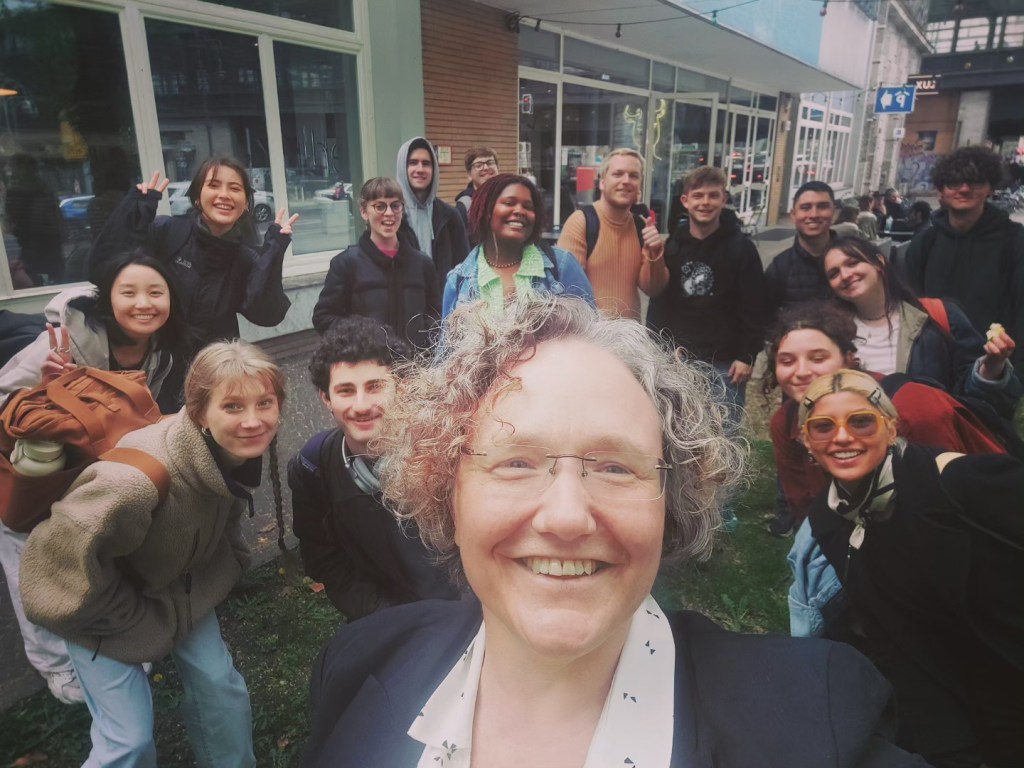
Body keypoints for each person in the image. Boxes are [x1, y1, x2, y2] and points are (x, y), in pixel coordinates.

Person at [303, 296, 931, 768]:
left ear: (672, 503)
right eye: (516, 462)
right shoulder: (358, 665)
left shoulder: (816, 719)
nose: (567, 517)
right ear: (448, 489)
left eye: (614, 467)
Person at [20, 340, 284, 767]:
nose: (253, 421)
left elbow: (221, 519)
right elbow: (52, 569)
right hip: (97, 608)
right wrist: (129, 619)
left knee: (221, 688)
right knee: (128, 741)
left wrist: (227, 563)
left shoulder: (233, 450)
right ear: (199, 413)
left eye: (265, 403)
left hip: (176, 587)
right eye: (232, 406)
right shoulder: (133, 484)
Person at [800, 369, 1024, 768]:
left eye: (861, 421)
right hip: (948, 694)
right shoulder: (829, 518)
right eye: (823, 426)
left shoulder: (959, 482)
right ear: (807, 441)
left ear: (890, 428)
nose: (842, 437)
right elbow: (889, 631)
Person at [0, 249, 189, 706]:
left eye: (156, 292)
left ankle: (117, 639)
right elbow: (6, 399)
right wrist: (43, 387)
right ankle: (56, 666)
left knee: (98, 546)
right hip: (32, 471)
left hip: (90, 466)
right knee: (29, 552)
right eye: (129, 292)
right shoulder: (61, 343)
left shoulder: (162, 347)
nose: (143, 303)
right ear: (108, 298)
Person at [764, 300, 1008, 525]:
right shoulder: (786, 422)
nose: (801, 372)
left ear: (848, 359)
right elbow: (806, 507)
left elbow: (951, 498)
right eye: (787, 361)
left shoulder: (914, 406)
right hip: (849, 533)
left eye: (818, 358)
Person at [289, 318, 459, 619]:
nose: (361, 405)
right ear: (326, 398)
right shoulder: (313, 466)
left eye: (375, 386)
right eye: (345, 390)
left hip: (461, 613)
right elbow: (325, 559)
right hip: (382, 618)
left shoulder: (446, 452)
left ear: (401, 387)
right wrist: (386, 617)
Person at [89, 158, 298, 353]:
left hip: (212, 368)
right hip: (156, 365)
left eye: (234, 188)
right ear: (197, 198)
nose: (224, 194)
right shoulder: (167, 232)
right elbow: (101, 268)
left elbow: (266, 315)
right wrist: (133, 212)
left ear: (245, 205)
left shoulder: (245, 258)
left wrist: (274, 251)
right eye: (213, 185)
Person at [823, 235, 1019, 415]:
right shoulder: (830, 336)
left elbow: (970, 392)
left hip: (931, 437)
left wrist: (991, 366)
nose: (845, 275)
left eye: (852, 263)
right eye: (834, 273)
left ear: (879, 262)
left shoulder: (938, 316)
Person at [646, 165, 768, 430]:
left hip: (725, 365)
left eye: (713, 195)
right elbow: (660, 303)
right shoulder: (673, 247)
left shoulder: (742, 249)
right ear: (685, 201)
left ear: (724, 199)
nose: (705, 202)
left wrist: (747, 355)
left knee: (723, 435)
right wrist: (658, 351)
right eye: (698, 195)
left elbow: (756, 306)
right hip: (679, 360)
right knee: (678, 432)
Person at [903, 145, 1024, 384]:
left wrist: (1016, 372)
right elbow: (910, 306)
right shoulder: (924, 243)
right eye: (954, 183)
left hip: (995, 367)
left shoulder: (1015, 240)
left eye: (975, 182)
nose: (965, 189)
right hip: (934, 365)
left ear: (990, 188)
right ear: (940, 190)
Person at [312, 177, 441, 350]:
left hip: (415, 363)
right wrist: (361, 343)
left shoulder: (422, 264)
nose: (389, 213)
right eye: (380, 206)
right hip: (368, 363)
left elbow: (435, 315)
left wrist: (424, 344)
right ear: (364, 212)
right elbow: (324, 318)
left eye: (395, 206)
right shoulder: (346, 264)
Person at [442, 173, 593, 317]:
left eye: (528, 206)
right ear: (486, 209)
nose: (520, 211)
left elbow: (591, 328)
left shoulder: (562, 265)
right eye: (509, 203)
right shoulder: (458, 281)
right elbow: (448, 336)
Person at [557, 148, 668, 320]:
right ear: (602, 183)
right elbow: (568, 292)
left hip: (630, 334)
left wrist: (654, 254)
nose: (626, 181)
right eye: (618, 174)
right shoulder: (581, 222)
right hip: (592, 334)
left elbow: (652, 288)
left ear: (639, 185)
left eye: (634, 176)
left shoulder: (640, 225)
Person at [396, 137, 470, 291]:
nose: (420, 169)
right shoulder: (391, 217)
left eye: (426, 163)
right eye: (413, 162)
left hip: (443, 302)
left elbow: (464, 267)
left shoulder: (450, 216)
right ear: (402, 167)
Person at [764, 181, 837, 318]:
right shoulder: (779, 268)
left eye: (822, 206)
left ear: (834, 211)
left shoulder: (853, 261)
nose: (814, 214)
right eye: (805, 207)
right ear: (793, 215)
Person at [454, 147, 499, 228]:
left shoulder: (507, 197)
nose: (486, 168)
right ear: (469, 174)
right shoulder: (465, 205)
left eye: (490, 163)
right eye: (479, 165)